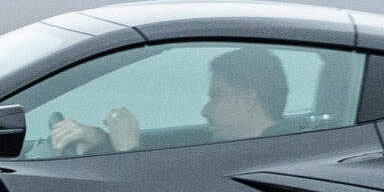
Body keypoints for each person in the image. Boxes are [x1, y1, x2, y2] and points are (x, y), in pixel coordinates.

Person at [48, 45, 290, 155]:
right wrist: (103, 140)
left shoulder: (268, 162)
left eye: (216, 97)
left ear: (248, 99)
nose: (204, 110)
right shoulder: (236, 152)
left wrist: (130, 151)